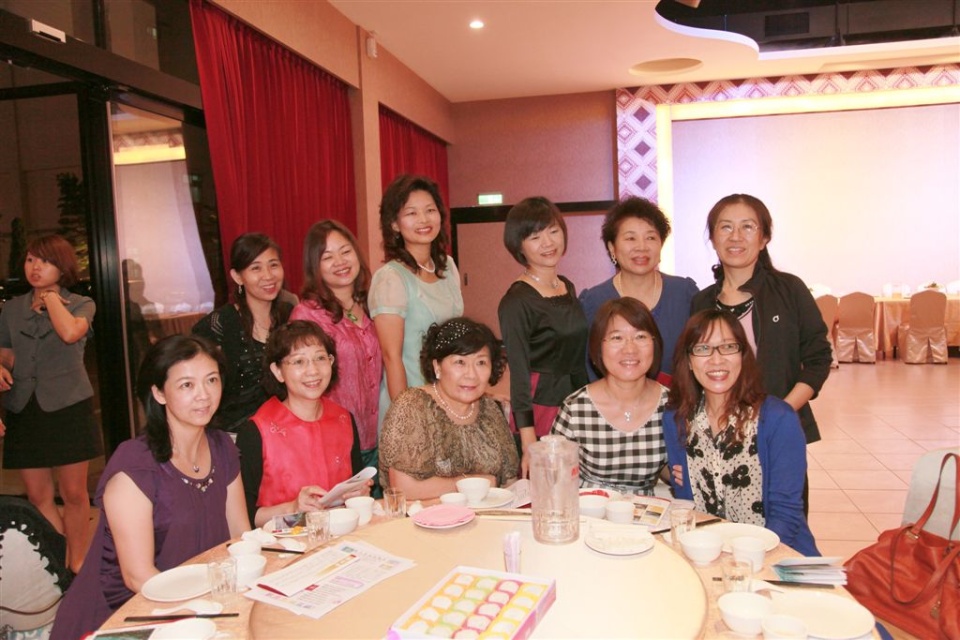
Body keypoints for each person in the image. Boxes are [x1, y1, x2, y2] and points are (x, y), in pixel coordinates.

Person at [51, 335, 250, 639]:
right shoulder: (135, 466)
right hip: (125, 616)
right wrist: (202, 613)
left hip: (203, 602)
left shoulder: (222, 447)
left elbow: (239, 536)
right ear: (158, 393)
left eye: (212, 380)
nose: (204, 395)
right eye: (186, 385)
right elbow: (137, 576)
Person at [692, 194, 832, 514]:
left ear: (764, 237)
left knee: (783, 524)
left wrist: (778, 414)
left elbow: (818, 359)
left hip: (777, 433)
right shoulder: (702, 302)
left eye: (747, 227)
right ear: (712, 237)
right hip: (717, 437)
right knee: (721, 526)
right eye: (725, 227)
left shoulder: (789, 290)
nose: (736, 236)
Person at [663, 309, 819, 556]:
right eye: (703, 349)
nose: (716, 360)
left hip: (776, 555)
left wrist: (747, 561)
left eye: (728, 347)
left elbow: (786, 516)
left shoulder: (778, 419)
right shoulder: (677, 419)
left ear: (743, 356)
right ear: (689, 361)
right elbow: (688, 504)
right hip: (710, 554)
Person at [0, 234, 101, 574]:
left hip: (68, 406)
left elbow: (70, 333)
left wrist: (51, 298)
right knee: (37, 496)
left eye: (44, 261)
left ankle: (79, 563)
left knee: (73, 494)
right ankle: (60, 560)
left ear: (62, 266)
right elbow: (6, 355)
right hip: (24, 408)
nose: (35, 267)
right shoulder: (11, 308)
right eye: (30, 259)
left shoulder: (82, 303)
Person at [236, 321, 370, 527]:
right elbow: (247, 520)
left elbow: (352, 494)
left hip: (342, 536)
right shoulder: (256, 431)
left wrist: (358, 495)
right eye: (299, 361)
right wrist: (293, 510)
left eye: (320, 358)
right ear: (278, 371)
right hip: (283, 541)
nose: (313, 370)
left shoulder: (343, 419)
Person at [379, 318, 519, 500]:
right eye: (460, 362)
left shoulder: (489, 409)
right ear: (437, 366)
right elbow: (403, 488)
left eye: (481, 363)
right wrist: (471, 483)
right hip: (425, 515)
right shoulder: (412, 406)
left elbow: (509, 480)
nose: (471, 374)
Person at [498, 196, 588, 477]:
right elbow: (519, 373)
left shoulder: (566, 286)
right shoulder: (516, 300)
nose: (548, 243)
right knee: (546, 484)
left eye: (553, 231)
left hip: (575, 399)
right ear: (519, 246)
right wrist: (528, 440)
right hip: (541, 406)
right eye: (535, 237)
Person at [369, 175, 463, 426]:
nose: (423, 219)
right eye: (412, 213)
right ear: (394, 224)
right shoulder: (390, 278)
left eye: (430, 210)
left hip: (451, 397)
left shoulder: (448, 267)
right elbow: (392, 358)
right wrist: (407, 418)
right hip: (412, 403)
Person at [291, 220, 382, 477]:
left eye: (345, 251)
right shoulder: (308, 315)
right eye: (327, 257)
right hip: (334, 441)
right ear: (315, 266)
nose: (340, 262)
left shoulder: (373, 303)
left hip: (379, 436)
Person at [551, 298, 669, 495]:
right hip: (588, 508)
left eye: (640, 336)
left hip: (645, 511)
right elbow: (553, 479)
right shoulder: (575, 408)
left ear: (654, 344)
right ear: (599, 346)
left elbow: (675, 469)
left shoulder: (672, 404)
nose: (630, 349)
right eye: (617, 338)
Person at [579, 197, 698, 382]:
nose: (642, 247)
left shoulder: (685, 293)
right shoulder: (593, 302)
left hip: (679, 399)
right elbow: (590, 366)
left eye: (650, 237)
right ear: (612, 247)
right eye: (630, 238)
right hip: (614, 399)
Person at [193, 233, 294, 432]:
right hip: (233, 436)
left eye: (273, 265)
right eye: (256, 268)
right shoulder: (218, 325)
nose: (268, 275)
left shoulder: (290, 316)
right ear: (237, 276)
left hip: (285, 432)